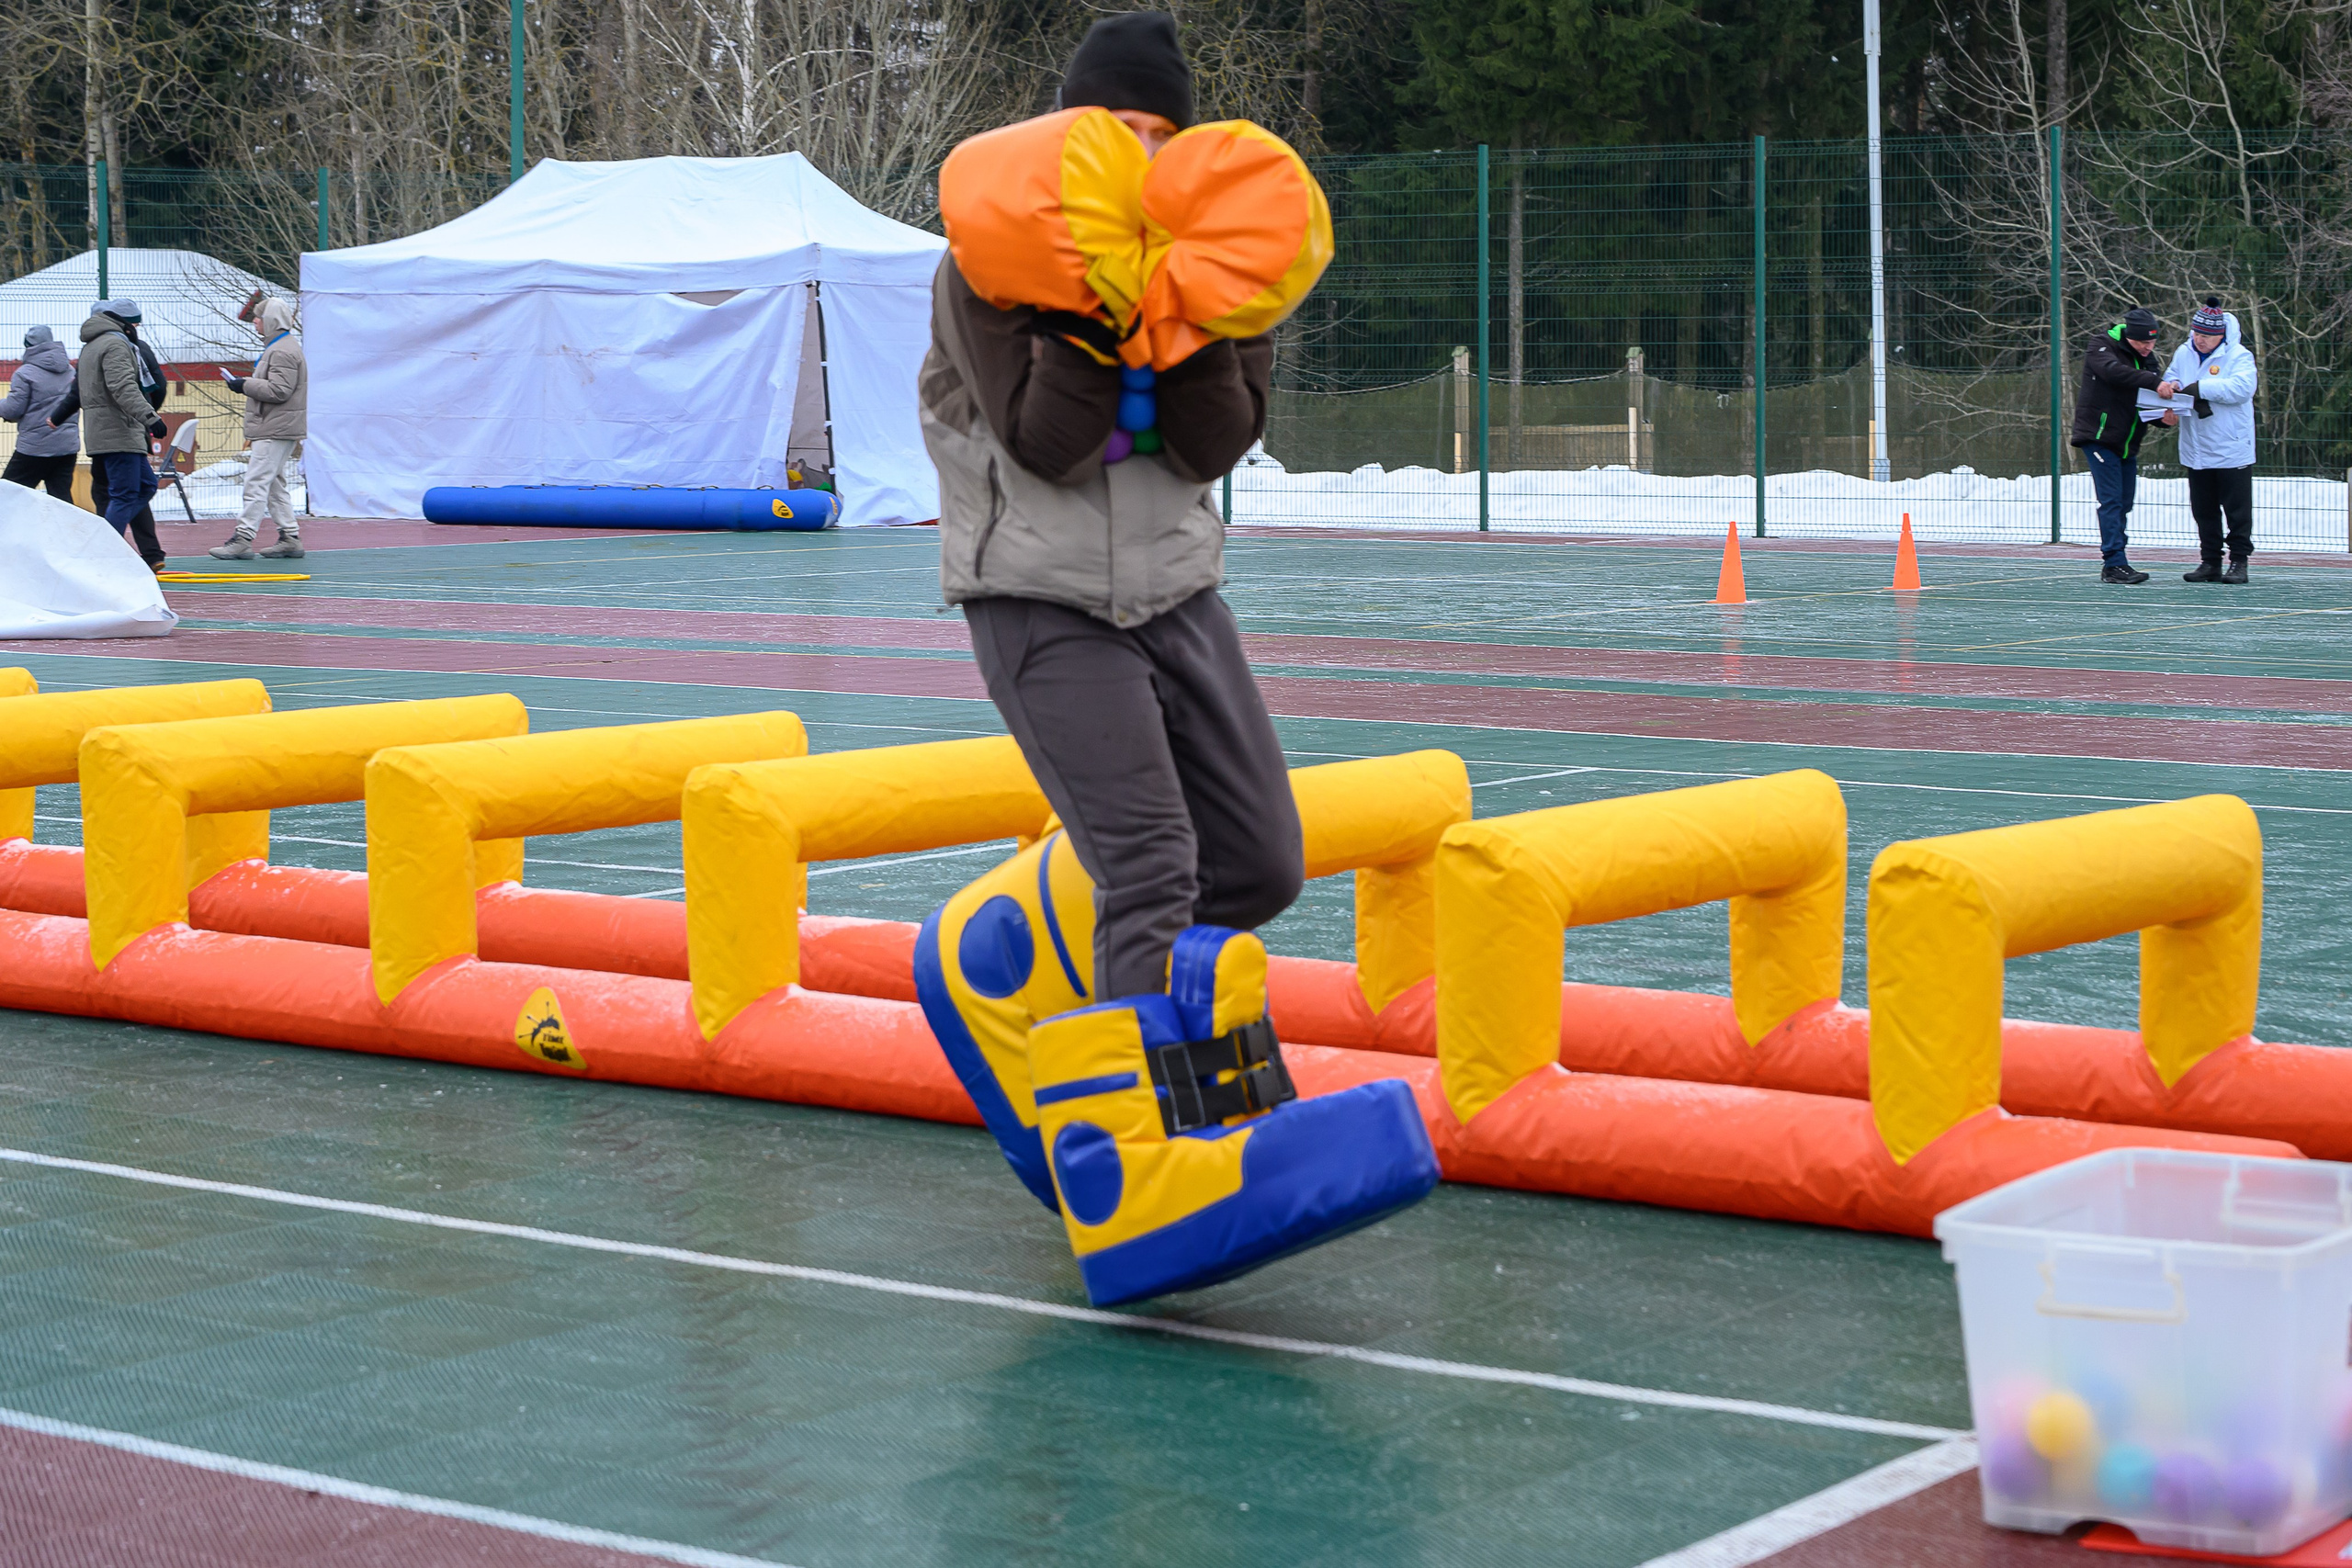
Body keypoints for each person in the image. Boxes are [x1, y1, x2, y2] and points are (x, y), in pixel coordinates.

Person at [912, 14, 1437, 1306]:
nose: (1138, 161)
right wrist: (1092, 319)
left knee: (1253, 859)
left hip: (1176, 588)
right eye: (1116, 135)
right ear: (1069, 137)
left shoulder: (1214, 255)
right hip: (1034, 595)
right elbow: (1041, 439)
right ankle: (1139, 1153)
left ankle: (1017, 930)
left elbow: (1212, 444)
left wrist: (1188, 317)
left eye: (1159, 137)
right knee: (1150, 866)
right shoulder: (990, 263)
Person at [2070, 305, 2180, 584]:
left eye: (2152, 341)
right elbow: (2114, 373)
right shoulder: (2101, 346)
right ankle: (2114, 562)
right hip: (2098, 438)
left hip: (2127, 442)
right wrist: (2155, 382)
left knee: (2124, 502)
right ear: (2129, 335)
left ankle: (2116, 559)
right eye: (2143, 342)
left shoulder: (2149, 360)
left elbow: (2147, 403)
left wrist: (2162, 419)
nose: (2148, 347)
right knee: (2112, 501)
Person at [66, 299, 170, 570]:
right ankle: (103, 553)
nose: (136, 329)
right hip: (119, 431)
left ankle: (107, 538)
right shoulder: (115, 345)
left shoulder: (91, 345)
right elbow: (123, 387)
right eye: (134, 324)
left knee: (145, 486)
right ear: (125, 323)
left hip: (110, 431)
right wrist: (150, 417)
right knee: (124, 495)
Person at [2162, 296, 2258, 584]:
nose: (2199, 340)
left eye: (2206, 336)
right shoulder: (2184, 352)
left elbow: (2241, 388)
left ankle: (2238, 562)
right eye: (2196, 333)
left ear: (2220, 335)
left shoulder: (2239, 356)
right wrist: (2172, 387)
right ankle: (2210, 561)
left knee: (2237, 511)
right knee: (2203, 509)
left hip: (2231, 447)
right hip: (2196, 448)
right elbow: (2172, 376)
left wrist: (2201, 387)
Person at [210, 296, 307, 560]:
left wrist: (244, 385)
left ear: (271, 321)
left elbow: (280, 390)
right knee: (274, 483)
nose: (254, 321)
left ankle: (243, 538)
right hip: (277, 426)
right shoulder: (279, 348)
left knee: (256, 481)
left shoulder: (282, 351)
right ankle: (290, 537)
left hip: (275, 428)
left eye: (259, 317)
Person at [1, 326, 79, 503]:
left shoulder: (25, 373)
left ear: (29, 346)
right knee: (61, 501)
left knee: (7, 494)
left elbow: (12, 409)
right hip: (67, 446)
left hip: (35, 447)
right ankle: (66, 531)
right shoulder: (70, 371)